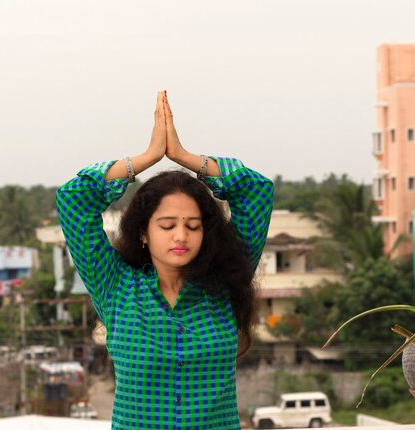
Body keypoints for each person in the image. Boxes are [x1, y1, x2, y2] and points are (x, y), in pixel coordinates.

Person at [56, 91, 274, 429]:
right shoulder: (116, 288)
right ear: (144, 232)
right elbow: (73, 198)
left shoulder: (226, 283)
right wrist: (146, 158)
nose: (181, 236)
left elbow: (257, 191)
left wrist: (186, 157)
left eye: (193, 225)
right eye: (167, 225)